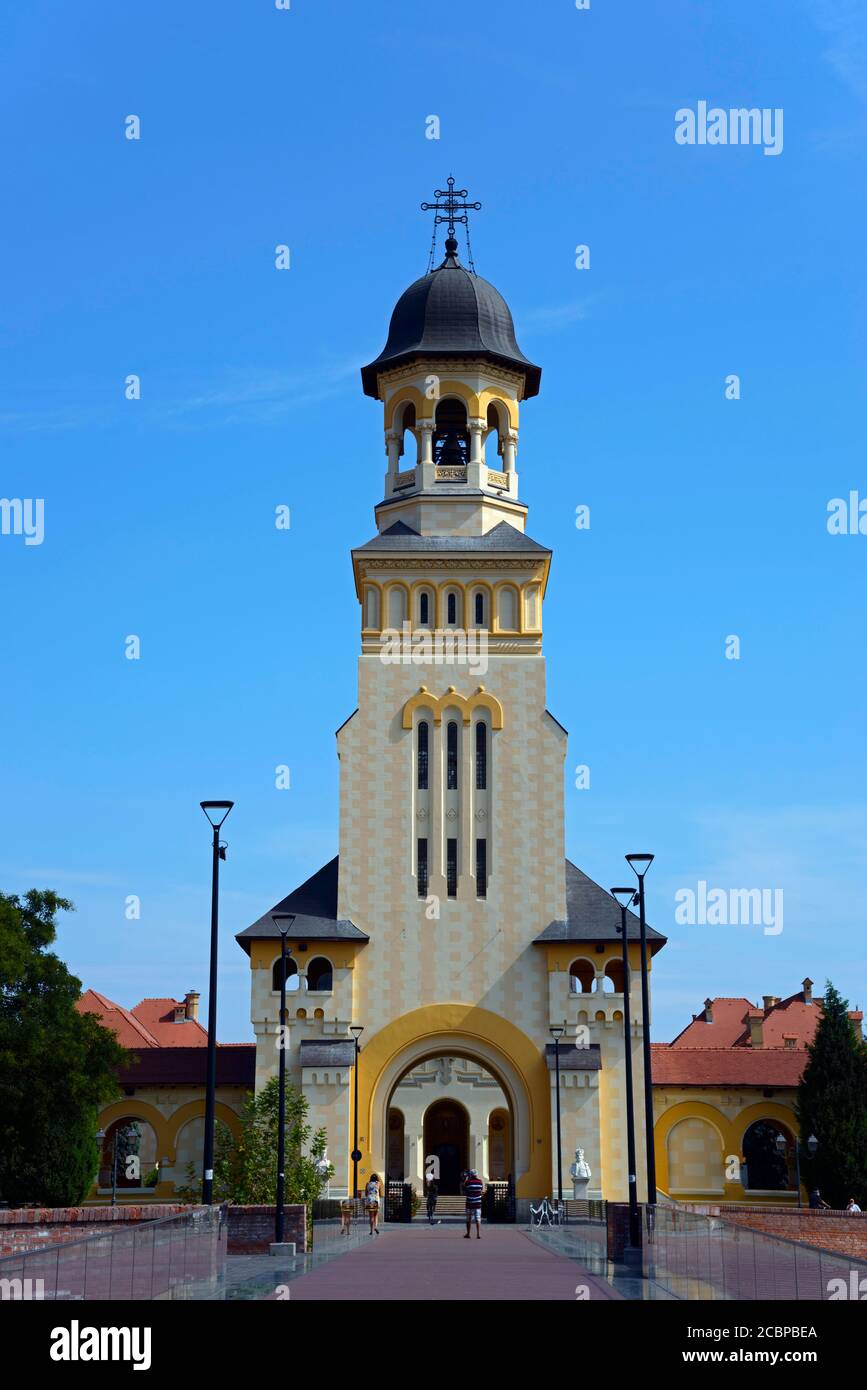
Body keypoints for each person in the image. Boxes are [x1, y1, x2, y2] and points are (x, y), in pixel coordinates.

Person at [462, 1168, 485, 1240]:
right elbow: (481, 1190)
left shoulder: (468, 1182)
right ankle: (478, 1234)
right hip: (478, 1203)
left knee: (468, 1219)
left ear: (470, 1175)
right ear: (476, 1174)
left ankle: (468, 1233)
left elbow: (464, 1190)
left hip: (469, 1203)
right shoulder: (480, 1182)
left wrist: (465, 1179)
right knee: (478, 1219)